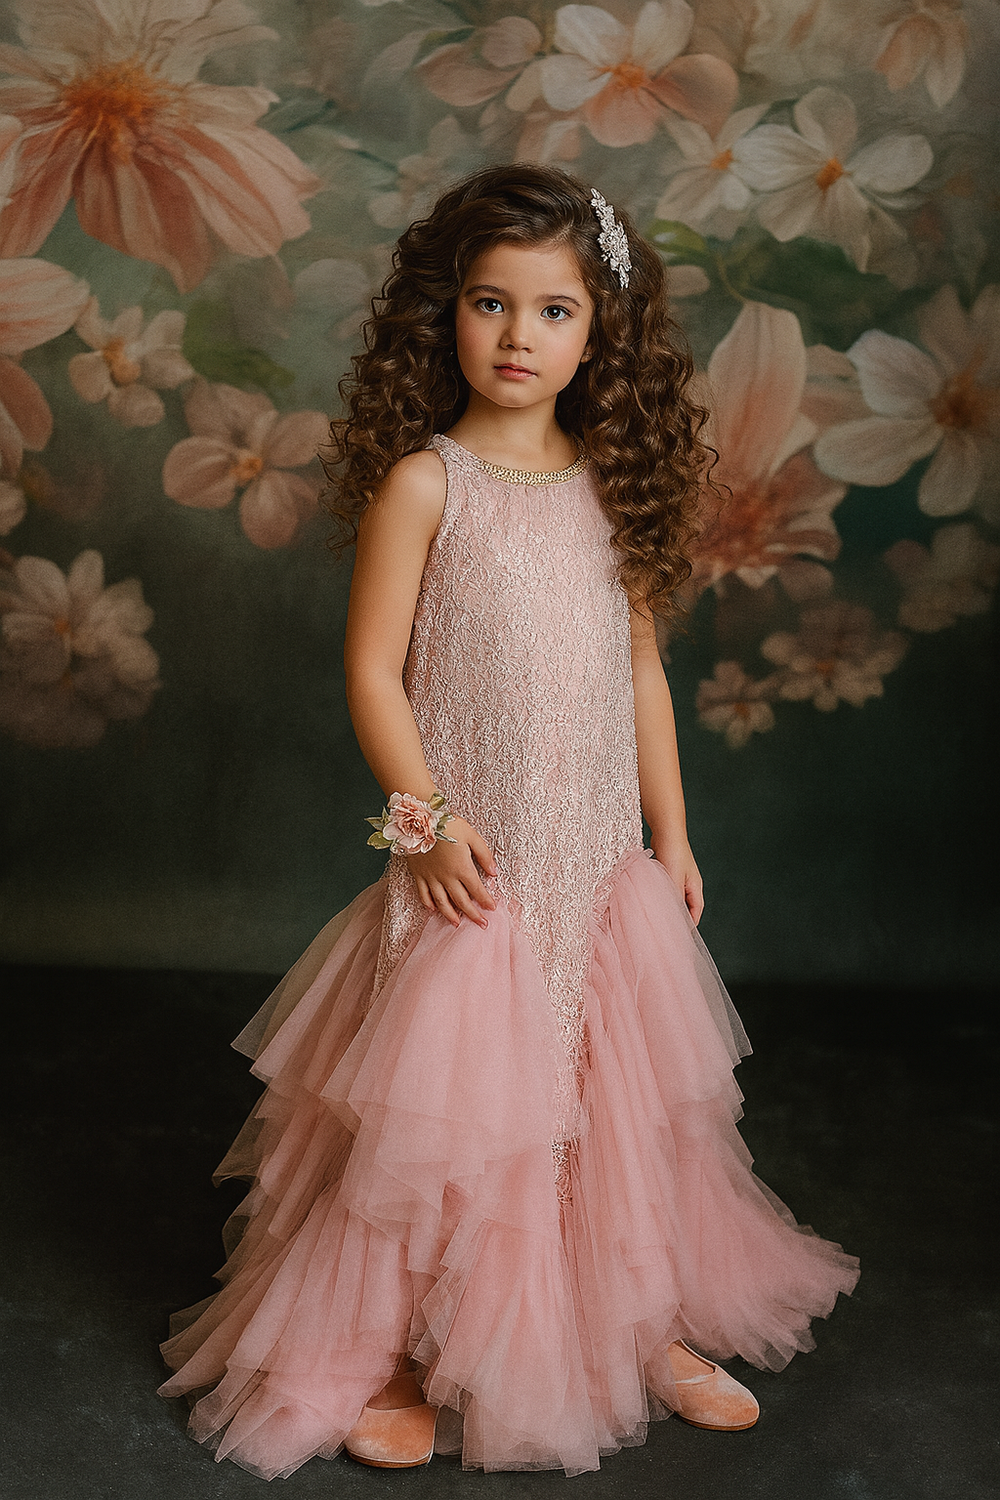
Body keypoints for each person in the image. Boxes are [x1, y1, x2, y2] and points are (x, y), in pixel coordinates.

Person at [158, 164, 859, 1481]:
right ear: (447, 315)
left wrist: (677, 833)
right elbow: (372, 675)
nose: (517, 338)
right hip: (468, 875)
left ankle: (635, 1318)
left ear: (601, 337)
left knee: (610, 1100)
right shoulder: (429, 485)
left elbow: (642, 674)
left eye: (552, 313)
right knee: (446, 1119)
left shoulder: (610, 490)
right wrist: (416, 829)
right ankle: (407, 1346)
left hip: (597, 869)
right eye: (490, 304)